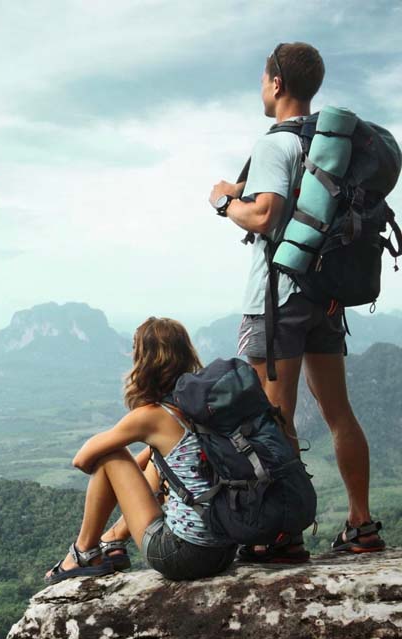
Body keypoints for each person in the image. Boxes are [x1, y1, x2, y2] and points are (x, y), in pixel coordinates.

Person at [208, 42, 385, 560]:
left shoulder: (274, 145)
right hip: (327, 298)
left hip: (279, 298)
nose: (262, 88)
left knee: (273, 417)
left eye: (263, 79)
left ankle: (280, 533)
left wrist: (223, 202)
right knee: (339, 414)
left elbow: (263, 216)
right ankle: (362, 523)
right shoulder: (333, 147)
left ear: (277, 83)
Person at [44, 317, 237, 584]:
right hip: (224, 550)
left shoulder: (153, 416)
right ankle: (113, 541)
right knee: (154, 459)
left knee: (112, 455)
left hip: (183, 556)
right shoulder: (202, 406)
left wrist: (114, 468)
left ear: (144, 360)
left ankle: (83, 552)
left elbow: (83, 459)